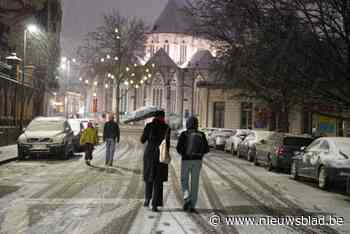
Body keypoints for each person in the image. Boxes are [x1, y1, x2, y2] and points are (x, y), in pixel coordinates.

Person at [176, 116, 209, 212]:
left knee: (184, 180)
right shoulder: (201, 134)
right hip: (197, 161)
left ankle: (187, 197)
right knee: (195, 183)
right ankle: (192, 205)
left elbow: (178, 148)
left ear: (187, 124)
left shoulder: (184, 134)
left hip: (186, 160)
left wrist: (184, 153)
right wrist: (200, 154)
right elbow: (207, 149)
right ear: (196, 124)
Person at [141, 110, 170, 212]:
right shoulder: (166, 127)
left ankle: (147, 199)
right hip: (160, 155)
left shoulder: (149, 126)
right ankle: (155, 204)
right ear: (163, 117)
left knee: (149, 177)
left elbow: (142, 140)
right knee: (158, 180)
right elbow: (168, 144)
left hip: (149, 154)